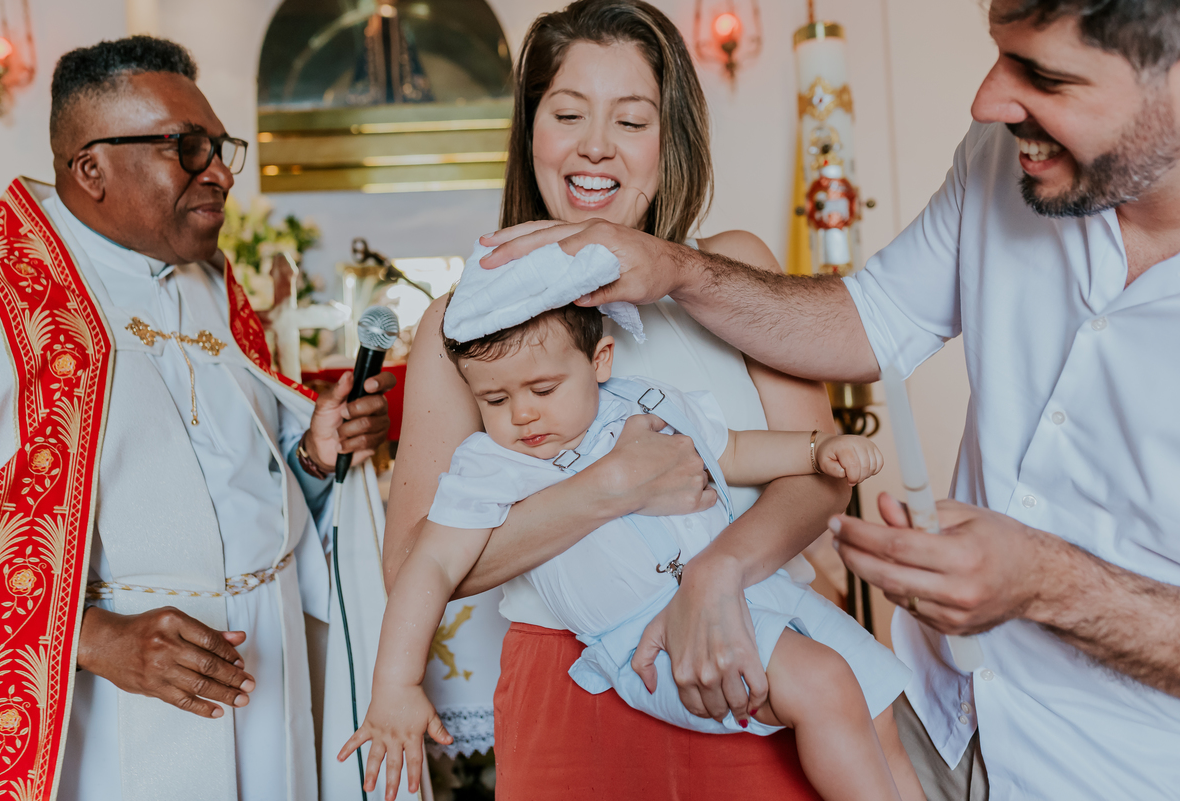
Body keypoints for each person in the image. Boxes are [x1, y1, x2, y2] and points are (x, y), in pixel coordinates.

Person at [480, 0, 1180, 798]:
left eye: (1046, 76)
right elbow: (869, 318)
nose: (987, 100)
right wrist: (681, 272)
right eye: (1001, 55)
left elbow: (802, 465)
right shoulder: (1005, 158)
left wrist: (1048, 583)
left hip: (1118, 768)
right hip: (939, 719)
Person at [383, 1, 855, 797]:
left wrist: (719, 575)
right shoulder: (461, 327)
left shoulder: (732, 268)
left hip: (750, 649)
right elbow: (415, 566)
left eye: (630, 121)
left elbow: (820, 471)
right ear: (531, 132)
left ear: (668, 142)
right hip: (575, 680)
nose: (595, 145)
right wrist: (612, 486)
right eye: (567, 114)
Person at [0, 37, 395, 801]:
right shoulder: (0, 297)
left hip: (271, 671)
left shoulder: (213, 281)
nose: (223, 169)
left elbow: (244, 479)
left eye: (218, 144)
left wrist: (309, 456)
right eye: (188, 146)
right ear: (90, 168)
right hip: (124, 713)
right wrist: (94, 640)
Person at [348, 286, 921, 801]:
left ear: (599, 361)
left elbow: (734, 453)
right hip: (652, 636)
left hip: (757, 591)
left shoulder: (644, 402)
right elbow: (429, 565)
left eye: (543, 389)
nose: (522, 414)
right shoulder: (492, 465)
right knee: (823, 685)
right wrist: (396, 684)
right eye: (494, 401)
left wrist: (815, 450)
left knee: (876, 704)